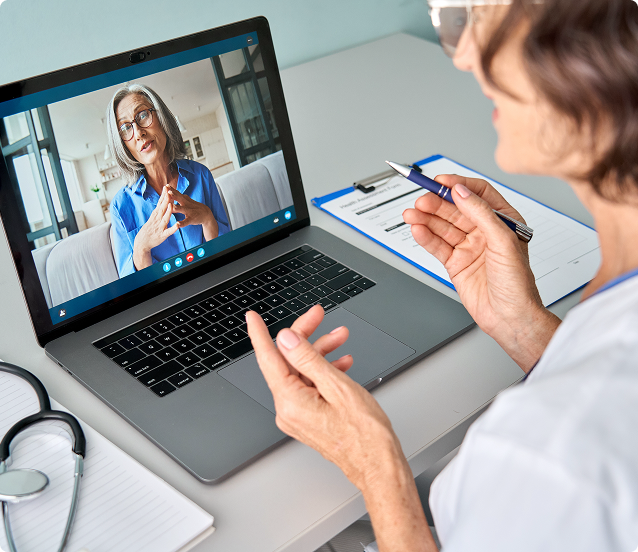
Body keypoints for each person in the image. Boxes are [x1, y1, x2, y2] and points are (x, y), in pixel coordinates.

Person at [245, 0, 638, 550]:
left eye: (490, 21)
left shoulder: (552, 459)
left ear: (599, 51)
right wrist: (521, 325)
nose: (466, 56)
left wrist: (375, 466)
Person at [106, 84, 230, 277]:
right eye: (125, 128)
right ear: (122, 143)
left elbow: (229, 253)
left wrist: (207, 218)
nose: (138, 133)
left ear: (162, 118)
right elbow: (132, 293)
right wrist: (140, 248)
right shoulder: (120, 207)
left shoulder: (202, 176)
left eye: (143, 116)